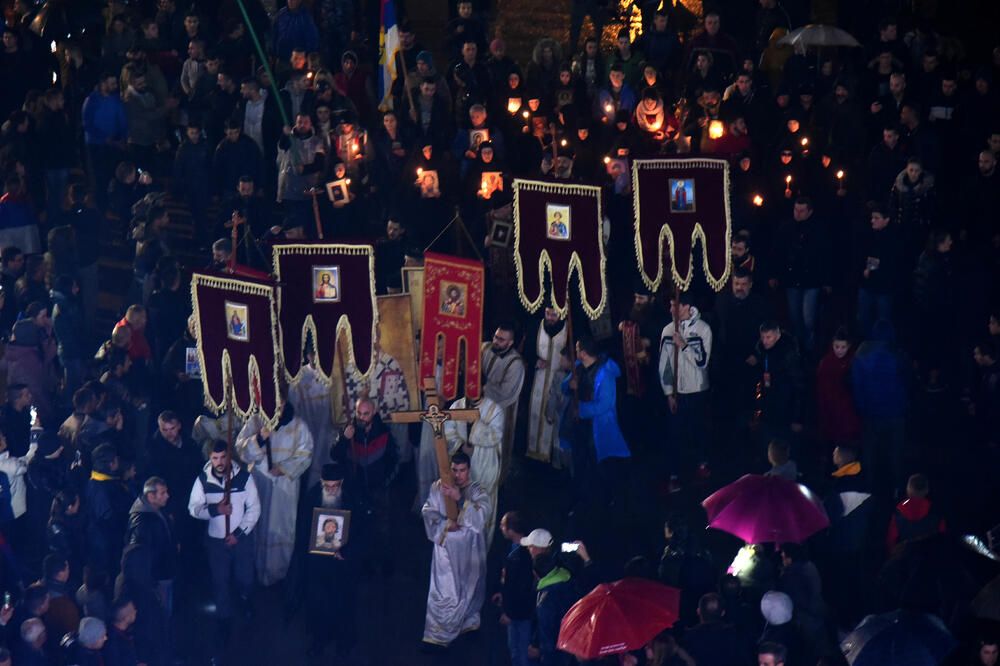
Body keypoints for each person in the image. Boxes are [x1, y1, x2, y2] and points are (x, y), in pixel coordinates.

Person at [235, 401, 314, 586]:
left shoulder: (299, 426)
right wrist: (260, 439)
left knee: (282, 525)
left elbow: (306, 453)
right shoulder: (255, 422)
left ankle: (279, 573)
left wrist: (285, 468)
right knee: (258, 523)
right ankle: (256, 570)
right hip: (260, 481)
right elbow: (241, 450)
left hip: (285, 485)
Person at [188, 441, 260, 628]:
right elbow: (193, 509)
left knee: (245, 577)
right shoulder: (203, 480)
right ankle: (224, 618)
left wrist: (239, 533)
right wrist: (216, 509)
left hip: (241, 539)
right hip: (216, 541)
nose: (219, 462)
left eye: (223, 457)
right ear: (210, 458)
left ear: (229, 456)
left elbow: (254, 508)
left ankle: (246, 600)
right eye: (215, 458)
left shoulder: (244, 478)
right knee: (220, 580)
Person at [421, 452, 489, 649]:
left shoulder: (477, 489)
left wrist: (460, 499)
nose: (458, 475)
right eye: (454, 470)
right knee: (445, 590)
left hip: (470, 547)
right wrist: (444, 525)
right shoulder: (437, 487)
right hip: (446, 547)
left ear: (469, 470)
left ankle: (468, 623)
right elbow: (427, 511)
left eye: (462, 471)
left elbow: (482, 514)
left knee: (470, 586)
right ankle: (439, 635)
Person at [296, 463, 359, 657]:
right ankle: (318, 640)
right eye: (327, 486)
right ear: (322, 482)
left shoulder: (350, 498)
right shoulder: (312, 497)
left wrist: (347, 550)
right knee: (318, 603)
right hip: (318, 564)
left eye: (335, 486)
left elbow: (360, 530)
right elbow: (304, 527)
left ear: (341, 483)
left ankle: (343, 642)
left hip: (341, 564)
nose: (331, 491)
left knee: (342, 603)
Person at [563, 337, 631, 512]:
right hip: (579, 427)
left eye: (577, 349)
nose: (575, 352)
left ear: (584, 353)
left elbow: (605, 404)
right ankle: (576, 499)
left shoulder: (604, 373)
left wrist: (582, 410)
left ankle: (607, 498)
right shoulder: (578, 367)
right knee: (578, 464)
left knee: (599, 465)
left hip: (597, 428)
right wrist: (570, 386)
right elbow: (565, 387)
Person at [659, 290, 713, 480]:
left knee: (698, 429)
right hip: (677, 391)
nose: (671, 308)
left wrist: (683, 345)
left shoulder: (703, 329)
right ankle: (676, 472)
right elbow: (664, 366)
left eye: (675, 305)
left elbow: (702, 362)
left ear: (686, 307)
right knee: (675, 432)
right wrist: (669, 394)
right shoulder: (667, 330)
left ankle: (702, 464)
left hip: (697, 389)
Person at [444, 389, 504, 549]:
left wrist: (475, 426)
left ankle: (481, 548)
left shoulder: (494, 410)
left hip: (484, 465)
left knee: (480, 507)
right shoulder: (457, 406)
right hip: (460, 464)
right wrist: (461, 446)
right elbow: (447, 432)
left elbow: (496, 435)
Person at [126, 477, 178, 620]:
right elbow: (140, 557)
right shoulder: (143, 522)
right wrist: (153, 584)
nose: (167, 496)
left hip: (163, 575)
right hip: (158, 580)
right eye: (163, 493)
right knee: (161, 616)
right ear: (150, 496)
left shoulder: (157, 512)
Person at [481, 323, 526, 480]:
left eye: (501, 340)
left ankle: (498, 483)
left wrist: (483, 388)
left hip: (501, 413)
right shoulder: (485, 349)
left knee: (498, 451)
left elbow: (505, 393)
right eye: (495, 337)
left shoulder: (516, 364)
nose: (496, 341)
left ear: (510, 343)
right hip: (480, 409)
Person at [526, 307, 569, 464]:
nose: (550, 318)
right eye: (548, 314)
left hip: (558, 383)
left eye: (554, 315)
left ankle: (553, 456)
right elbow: (527, 350)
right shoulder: (535, 326)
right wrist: (535, 360)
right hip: (537, 380)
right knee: (535, 413)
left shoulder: (568, 329)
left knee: (556, 418)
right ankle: (533, 453)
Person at [492, 511, 535, 666]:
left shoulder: (524, 554)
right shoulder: (511, 548)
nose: (500, 528)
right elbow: (509, 580)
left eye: (503, 525)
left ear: (511, 530)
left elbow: (522, 589)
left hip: (521, 615)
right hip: (514, 611)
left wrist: (509, 613)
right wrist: (501, 593)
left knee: (523, 655)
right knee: (515, 652)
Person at [885, 473, 946, 552]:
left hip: (906, 558)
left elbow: (891, 541)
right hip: (930, 558)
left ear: (908, 489)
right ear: (926, 490)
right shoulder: (935, 510)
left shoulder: (899, 510)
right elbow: (943, 537)